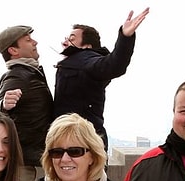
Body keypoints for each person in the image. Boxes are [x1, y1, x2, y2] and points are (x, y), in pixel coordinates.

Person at [53, 7, 149, 151]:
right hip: (71, 138)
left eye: (72, 38)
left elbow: (114, 65)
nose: (65, 41)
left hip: (84, 142)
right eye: (66, 38)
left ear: (87, 46)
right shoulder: (71, 63)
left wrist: (125, 37)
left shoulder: (86, 60)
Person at [0, 25, 54, 181]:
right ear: (13, 50)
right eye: (28, 40)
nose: (35, 42)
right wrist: (3, 105)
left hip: (31, 161)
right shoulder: (18, 75)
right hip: (25, 166)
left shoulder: (30, 71)